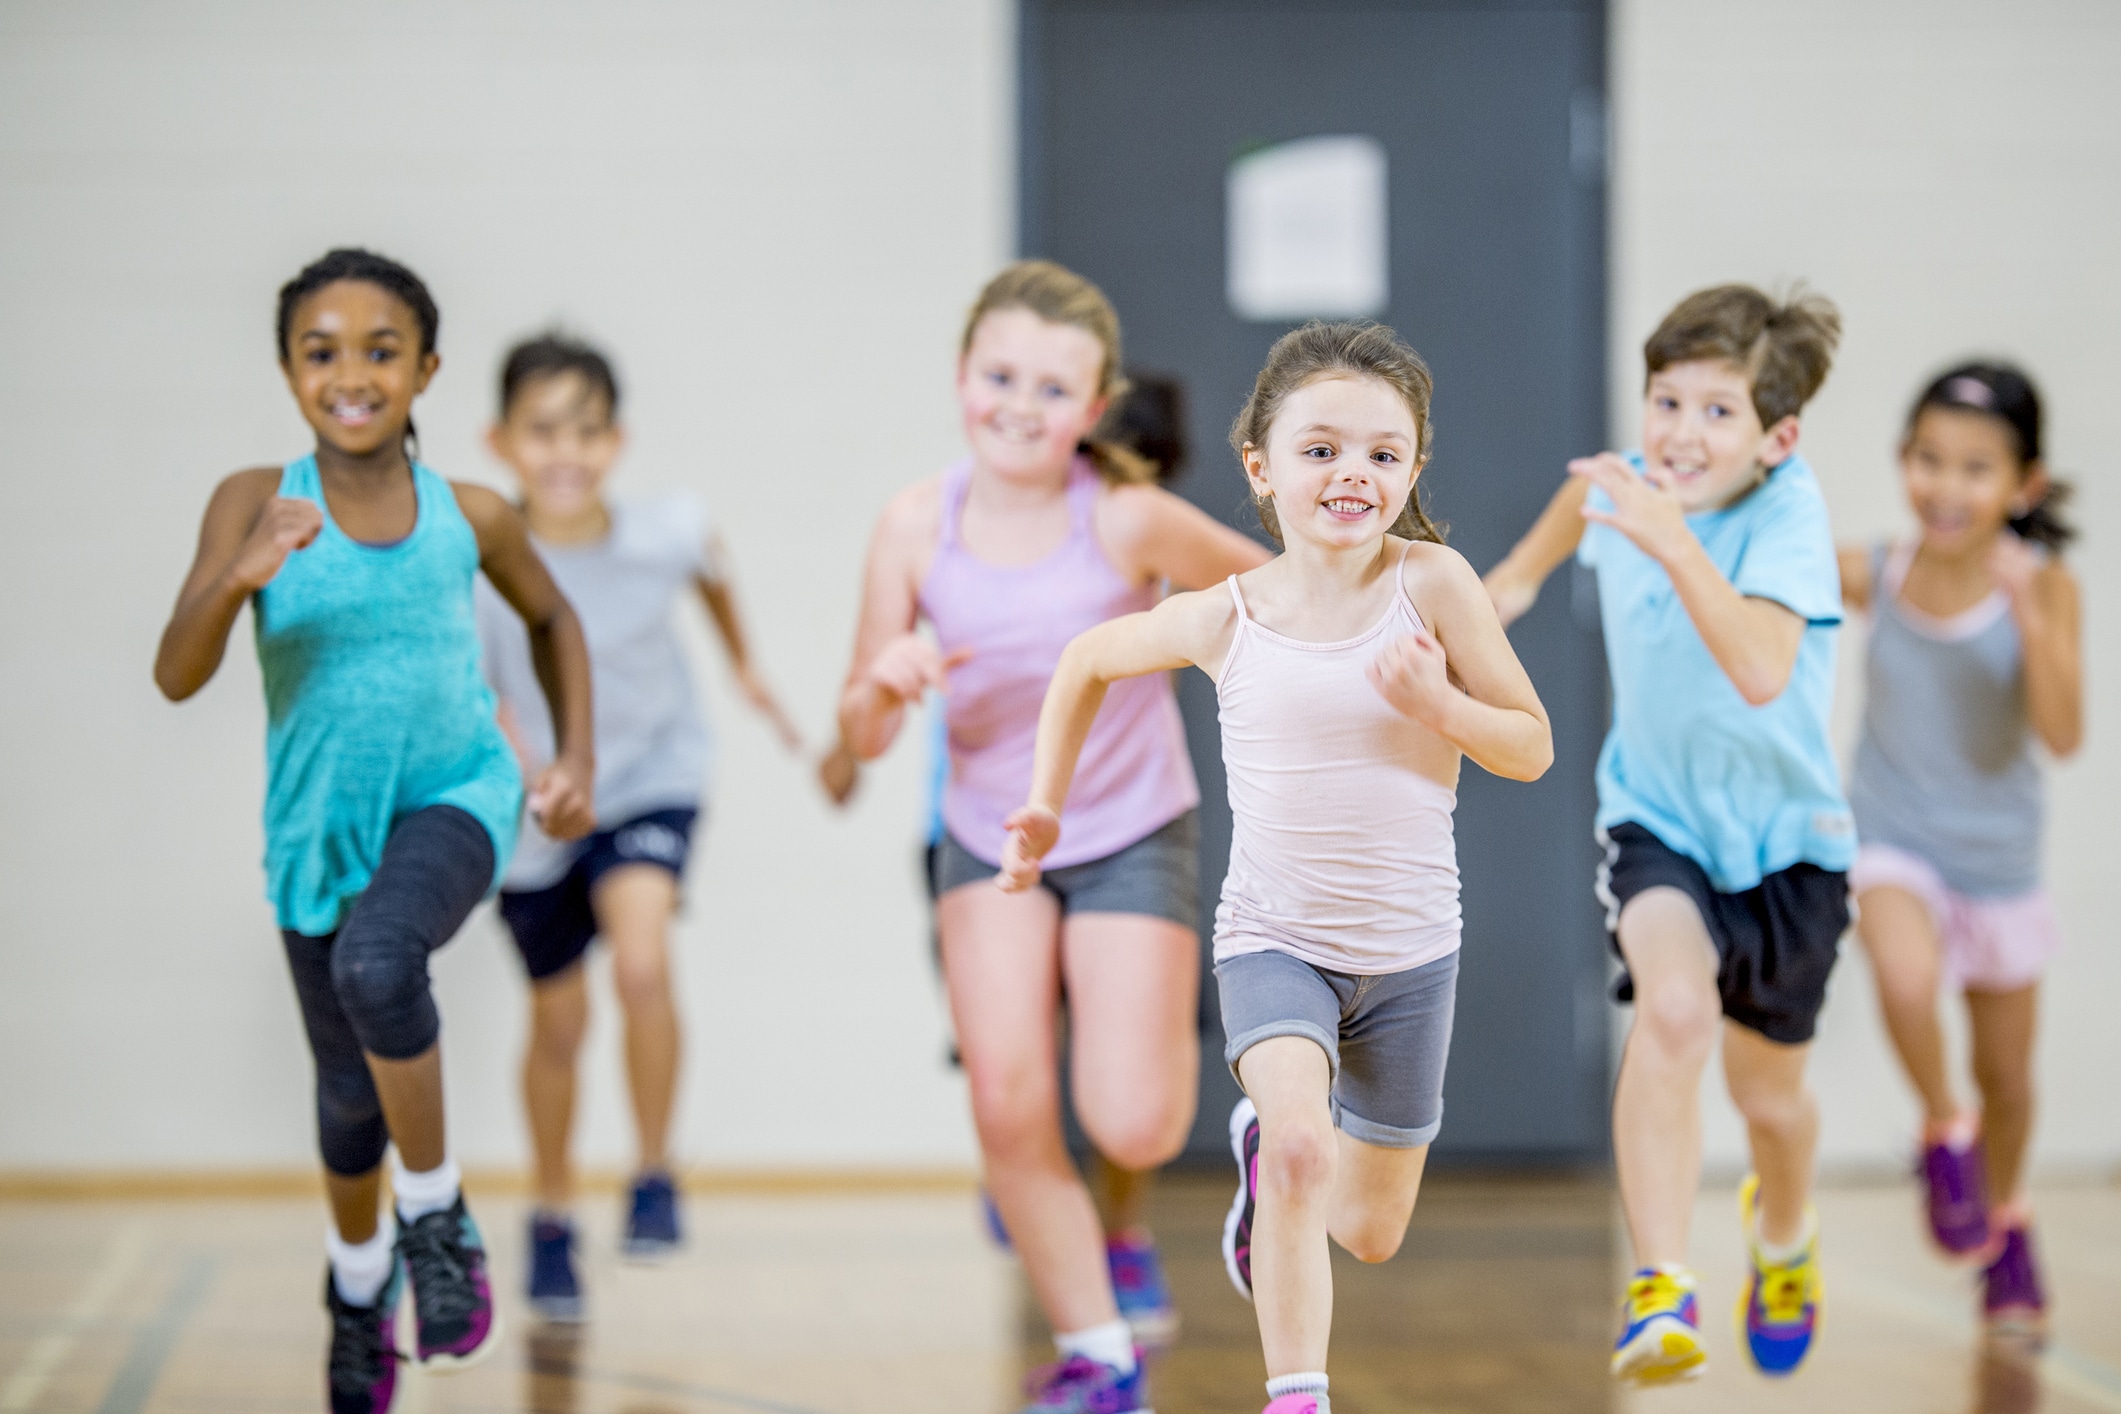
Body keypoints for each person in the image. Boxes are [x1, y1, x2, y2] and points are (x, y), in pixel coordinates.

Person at [1002, 320, 1551, 1414]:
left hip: (1410, 957)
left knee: (1371, 1230)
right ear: (1260, 464)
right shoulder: (1228, 615)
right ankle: (1297, 1394)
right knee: (1304, 1145)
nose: (1353, 472)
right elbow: (1086, 660)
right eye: (1321, 448)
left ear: (1413, 470)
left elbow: (1529, 745)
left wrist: (1441, 704)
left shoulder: (1434, 585)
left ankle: (1264, 1171)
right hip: (1274, 941)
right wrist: (1045, 803)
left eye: (1384, 454)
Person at [153, 249, 596, 1414]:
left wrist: (575, 763)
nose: (351, 373)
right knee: (349, 1101)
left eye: (380, 350)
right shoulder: (254, 496)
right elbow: (175, 672)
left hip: (455, 792)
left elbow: (554, 620)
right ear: (290, 370)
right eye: (322, 351)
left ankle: (437, 1216)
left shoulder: (472, 512)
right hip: (315, 838)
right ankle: (358, 1292)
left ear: (426, 369)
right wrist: (239, 572)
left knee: (381, 961)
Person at [835, 261, 1268, 1413]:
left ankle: (1256, 1121)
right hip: (987, 840)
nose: (1019, 405)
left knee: (1132, 1114)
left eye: (1051, 386)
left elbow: (1278, 605)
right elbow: (863, 728)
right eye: (999, 375)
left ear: (1094, 406)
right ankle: (1097, 1351)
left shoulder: (1127, 519)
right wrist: (885, 681)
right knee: (1008, 1103)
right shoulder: (914, 527)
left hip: (1129, 827)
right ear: (962, 377)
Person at [1484, 284, 1850, 1385]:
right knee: (1675, 1013)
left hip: (1789, 849)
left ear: (1778, 438)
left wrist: (1672, 540)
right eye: (1665, 400)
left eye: (1719, 412)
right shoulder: (1625, 491)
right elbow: (1573, 509)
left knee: (1770, 1103)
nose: (1682, 433)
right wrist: (1508, 583)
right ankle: (1659, 1285)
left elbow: (1757, 670)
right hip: (1658, 821)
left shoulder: (1787, 517)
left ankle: (1782, 1242)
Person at [819, 370, 1200, 1343]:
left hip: (1113, 823)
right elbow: (864, 704)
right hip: (971, 833)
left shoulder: (1128, 539)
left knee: (1120, 1076)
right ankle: (1032, 1174)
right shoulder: (937, 535)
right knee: (1013, 1058)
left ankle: (1119, 1221)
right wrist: (855, 729)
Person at [474, 333, 801, 1322]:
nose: (565, 452)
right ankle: (550, 1213)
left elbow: (711, 568)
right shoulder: (484, 552)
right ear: (502, 441)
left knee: (644, 962)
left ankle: (655, 1171)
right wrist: (533, 774)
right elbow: (480, 685)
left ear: (616, 441)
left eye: (586, 430)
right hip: (536, 803)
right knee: (559, 1023)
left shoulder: (664, 530)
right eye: (542, 431)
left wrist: (744, 664)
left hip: (652, 777)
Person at [1838, 363, 2081, 1336]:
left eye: (1976, 468)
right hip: (1893, 835)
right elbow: (1754, 562)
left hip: (1999, 859)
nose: (1947, 486)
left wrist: (2030, 617)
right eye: (1929, 460)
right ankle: (1943, 1128)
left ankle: (2008, 1221)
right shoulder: (1878, 568)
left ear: (2024, 485)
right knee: (1903, 977)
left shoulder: (2046, 585)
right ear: (1904, 462)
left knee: (2011, 1080)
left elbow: (2064, 734)